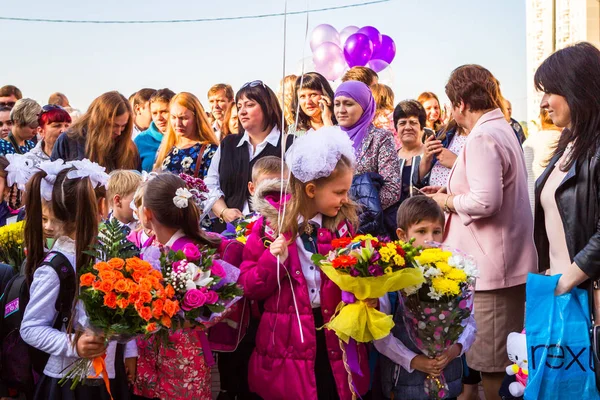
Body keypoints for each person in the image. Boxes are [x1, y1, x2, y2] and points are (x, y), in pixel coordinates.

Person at [425, 64, 537, 400]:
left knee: (492, 365)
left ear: (460, 102)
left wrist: (447, 200)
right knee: (501, 363)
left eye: (450, 105)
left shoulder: (483, 136)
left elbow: (486, 201)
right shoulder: (499, 129)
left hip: (492, 271)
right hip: (502, 265)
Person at [239, 128, 370, 400]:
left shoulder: (343, 227)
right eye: (339, 192)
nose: (346, 198)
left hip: (333, 339)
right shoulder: (269, 227)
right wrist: (272, 261)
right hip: (286, 345)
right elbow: (249, 286)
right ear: (311, 190)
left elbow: (358, 282)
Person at [20, 160, 137, 400]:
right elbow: (30, 328)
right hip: (69, 383)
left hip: (109, 375)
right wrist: (73, 344)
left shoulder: (110, 252)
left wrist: (129, 351)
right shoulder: (57, 266)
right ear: (102, 206)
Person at [375, 196, 476, 400]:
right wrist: (413, 360)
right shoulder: (391, 278)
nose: (430, 239)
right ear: (402, 235)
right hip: (405, 379)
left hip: (448, 375)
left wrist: (455, 349)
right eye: (421, 231)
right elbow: (380, 334)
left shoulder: (455, 273)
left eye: (436, 231)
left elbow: (469, 321)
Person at [133, 173, 222, 400]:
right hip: (169, 355)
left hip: (180, 355)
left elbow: (219, 304)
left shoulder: (190, 251)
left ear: (148, 213)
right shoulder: (162, 246)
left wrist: (188, 317)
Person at [534, 42, 600, 319]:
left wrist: (565, 280)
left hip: (588, 299)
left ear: (578, 89)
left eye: (550, 91)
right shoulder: (568, 142)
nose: (543, 102)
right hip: (565, 296)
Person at [206, 80, 290, 224]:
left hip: (273, 233)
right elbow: (211, 183)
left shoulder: (289, 144)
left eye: (250, 105)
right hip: (229, 232)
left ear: (267, 107)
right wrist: (223, 211)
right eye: (239, 106)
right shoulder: (228, 144)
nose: (242, 111)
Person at [335, 81, 402, 210]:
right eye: (337, 104)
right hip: (329, 221)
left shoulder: (380, 137)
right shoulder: (330, 136)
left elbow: (392, 190)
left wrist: (350, 208)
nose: (341, 110)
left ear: (364, 106)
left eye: (348, 104)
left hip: (365, 222)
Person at [51, 91, 140, 172]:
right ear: (99, 121)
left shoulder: (129, 149)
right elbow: (53, 181)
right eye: (114, 126)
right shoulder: (69, 140)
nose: (119, 132)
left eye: (123, 126)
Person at [154, 92, 218, 178]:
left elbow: (211, 186)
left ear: (197, 119)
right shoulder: (166, 147)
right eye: (173, 117)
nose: (178, 123)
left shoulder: (210, 150)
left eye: (183, 118)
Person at [523, 108, 561, 211]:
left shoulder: (528, 142)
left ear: (541, 118)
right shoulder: (563, 140)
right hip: (555, 208)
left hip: (528, 207)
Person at [419, 120, 470, 188]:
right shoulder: (446, 131)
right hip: (431, 192)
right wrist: (426, 158)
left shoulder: (481, 136)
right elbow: (419, 178)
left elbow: (481, 178)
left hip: (457, 196)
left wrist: (456, 163)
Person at [135, 88, 176, 172]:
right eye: (154, 113)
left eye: (164, 112)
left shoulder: (186, 138)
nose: (159, 118)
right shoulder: (141, 140)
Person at [395, 100, 426, 204]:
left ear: (422, 128)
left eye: (413, 122)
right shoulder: (390, 158)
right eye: (402, 123)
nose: (407, 127)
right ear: (396, 128)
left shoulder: (433, 155)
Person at [107, 169, 142, 234]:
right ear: (117, 200)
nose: (141, 204)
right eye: (137, 200)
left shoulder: (144, 228)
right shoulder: (102, 230)